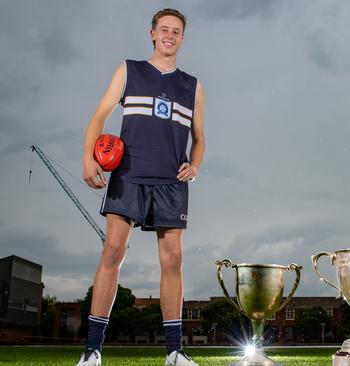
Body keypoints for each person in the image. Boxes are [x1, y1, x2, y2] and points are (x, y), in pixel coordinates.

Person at [78, 8, 204, 366]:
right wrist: (88, 158)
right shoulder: (129, 70)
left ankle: (175, 352)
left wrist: (195, 164)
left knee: (174, 259)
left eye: (176, 31)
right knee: (113, 252)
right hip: (129, 174)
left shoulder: (192, 85)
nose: (169, 35)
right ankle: (92, 350)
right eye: (164, 29)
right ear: (152, 33)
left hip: (170, 181)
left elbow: (201, 139)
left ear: (182, 38)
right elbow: (99, 116)